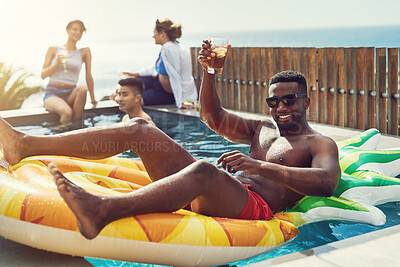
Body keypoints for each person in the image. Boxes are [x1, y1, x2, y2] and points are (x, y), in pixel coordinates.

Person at [0, 41, 341, 240]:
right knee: (140, 129)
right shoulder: (261, 129)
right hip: (221, 192)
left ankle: (103, 210)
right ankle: (26, 145)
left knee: (205, 169)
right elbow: (213, 118)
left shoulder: (318, 143)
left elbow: (326, 182)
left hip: (254, 208)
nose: (281, 107)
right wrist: (210, 73)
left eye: (289, 100)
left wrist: (258, 165)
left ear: (305, 102)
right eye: (274, 101)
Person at [120, 18, 198, 109]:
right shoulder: (169, 47)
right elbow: (155, 69)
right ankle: (117, 94)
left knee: (134, 99)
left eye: (154, 32)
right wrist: (134, 73)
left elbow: (175, 76)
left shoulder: (169, 49)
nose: (153, 36)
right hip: (156, 82)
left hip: (165, 93)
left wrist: (180, 103)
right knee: (129, 83)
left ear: (162, 33)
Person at [41, 20, 97, 123]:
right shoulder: (54, 49)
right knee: (67, 113)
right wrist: (56, 63)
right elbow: (43, 75)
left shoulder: (84, 52)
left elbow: (88, 75)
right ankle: (59, 137)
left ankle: (76, 127)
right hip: (53, 93)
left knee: (83, 89)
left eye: (80, 31)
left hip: (71, 93)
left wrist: (93, 99)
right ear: (68, 30)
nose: (78, 32)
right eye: (75, 29)